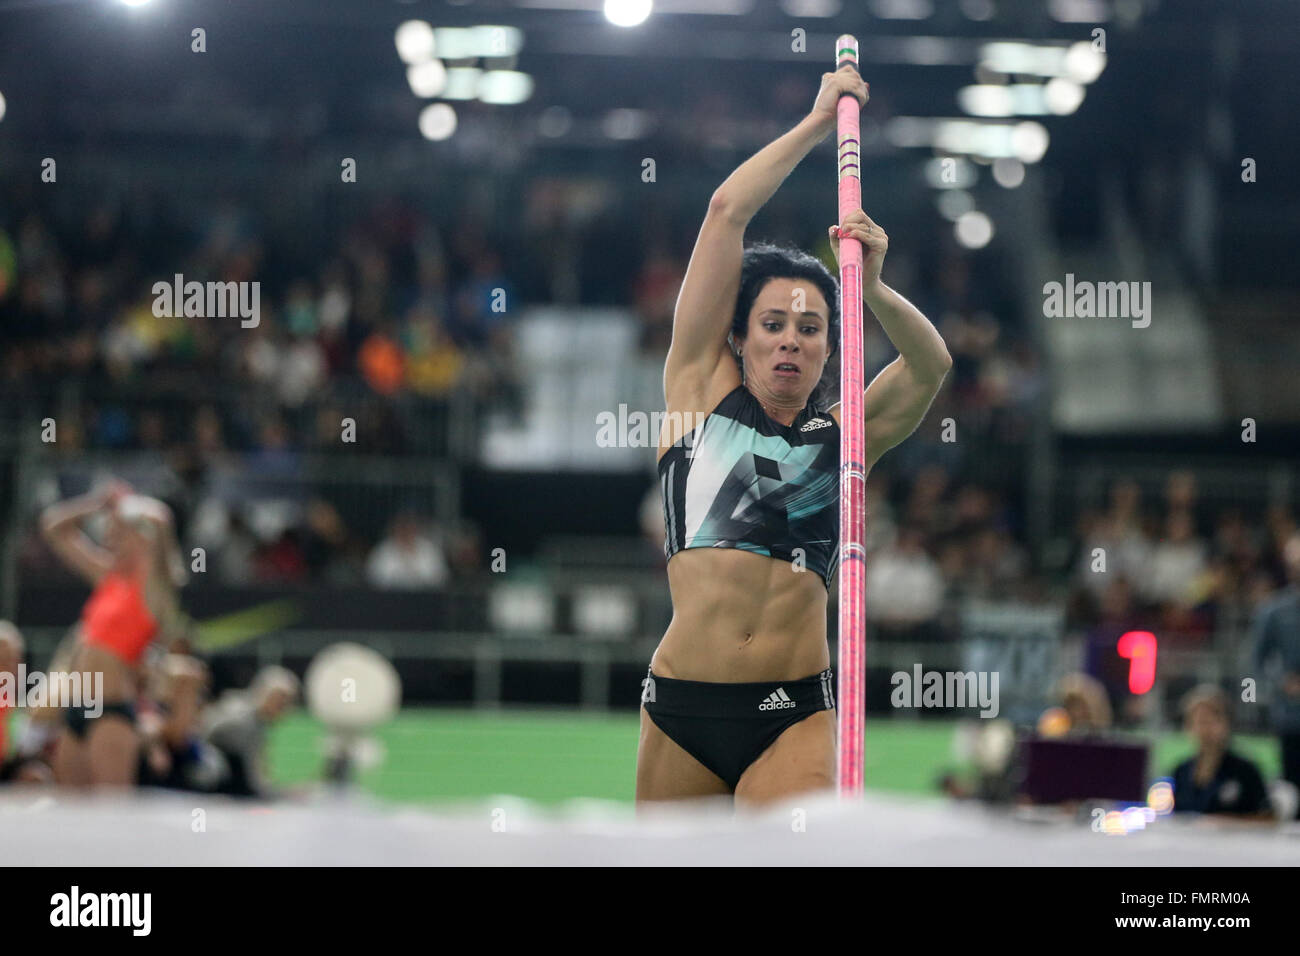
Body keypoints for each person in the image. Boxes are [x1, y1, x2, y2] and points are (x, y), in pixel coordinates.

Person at [637, 65, 952, 807]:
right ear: (738, 339)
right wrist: (818, 122)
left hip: (792, 713)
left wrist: (872, 288)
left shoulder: (846, 439)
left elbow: (931, 363)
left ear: (829, 349)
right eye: (772, 325)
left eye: (810, 329)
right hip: (682, 705)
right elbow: (724, 213)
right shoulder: (695, 396)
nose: (790, 341)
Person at [40, 481, 188, 788]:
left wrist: (131, 507)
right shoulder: (108, 576)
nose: (109, 539)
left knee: (110, 816)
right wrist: (97, 502)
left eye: (118, 533)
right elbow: (53, 527)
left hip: (111, 711)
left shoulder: (152, 589)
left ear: (140, 538)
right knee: (68, 811)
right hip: (78, 705)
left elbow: (162, 528)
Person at [1169, 684, 1271, 818]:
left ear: (1227, 723)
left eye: (1211, 721)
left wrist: (1224, 823)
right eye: (1199, 722)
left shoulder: (1245, 770)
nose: (1205, 730)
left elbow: (1266, 817)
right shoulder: (1181, 771)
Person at [1252, 532, 1300, 817]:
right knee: (1292, 790)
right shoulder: (1274, 610)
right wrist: (1282, 682)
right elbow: (1257, 660)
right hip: (1291, 718)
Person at [202, 666, 300, 799]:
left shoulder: (258, 720)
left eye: (287, 701)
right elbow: (255, 780)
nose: (283, 705)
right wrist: (283, 795)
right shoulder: (246, 721)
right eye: (280, 698)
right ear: (263, 693)